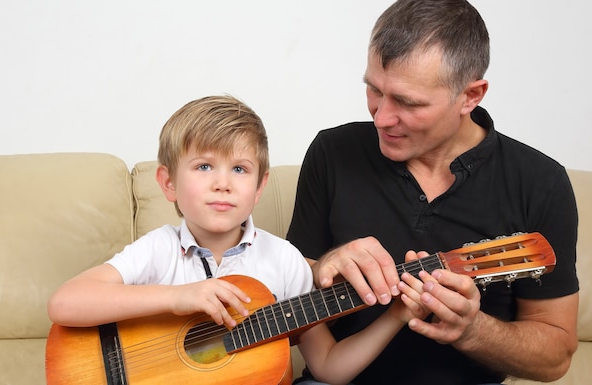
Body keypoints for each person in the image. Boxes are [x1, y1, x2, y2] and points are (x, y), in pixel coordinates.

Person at [287, 0, 579, 385]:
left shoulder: (540, 183)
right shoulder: (332, 151)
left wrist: (473, 329)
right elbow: (286, 279)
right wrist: (322, 267)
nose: (381, 118)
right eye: (375, 89)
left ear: (470, 96)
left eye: (408, 103)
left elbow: (555, 358)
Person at [47, 95, 429, 385]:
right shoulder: (158, 248)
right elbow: (65, 303)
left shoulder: (283, 260)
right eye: (204, 166)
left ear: (260, 186)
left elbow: (328, 366)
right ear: (168, 183)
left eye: (240, 169)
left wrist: (396, 316)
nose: (223, 183)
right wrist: (180, 297)